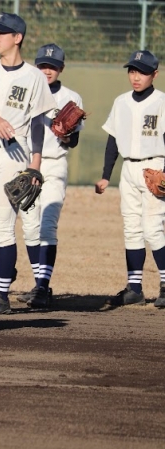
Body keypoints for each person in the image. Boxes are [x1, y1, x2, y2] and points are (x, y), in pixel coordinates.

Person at [0, 12, 56, 315]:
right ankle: (3, 272)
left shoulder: (34, 76)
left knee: (4, 226)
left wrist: (36, 164)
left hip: (15, 154)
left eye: (2, 33)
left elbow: (38, 122)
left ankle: (1, 295)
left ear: (17, 38)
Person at [95, 50, 165, 308]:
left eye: (142, 72)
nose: (136, 77)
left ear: (154, 74)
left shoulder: (161, 102)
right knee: (132, 229)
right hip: (128, 169)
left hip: (155, 167)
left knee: (153, 229)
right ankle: (134, 289)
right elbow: (112, 140)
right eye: (132, 71)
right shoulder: (121, 102)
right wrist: (106, 176)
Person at [18, 44, 85, 308]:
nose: (47, 71)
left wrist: (65, 134)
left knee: (47, 225)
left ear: (61, 69)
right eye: (43, 65)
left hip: (55, 164)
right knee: (30, 227)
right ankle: (40, 286)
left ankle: (42, 287)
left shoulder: (71, 97)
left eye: (52, 66)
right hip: (27, 165)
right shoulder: (26, 91)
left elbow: (73, 142)